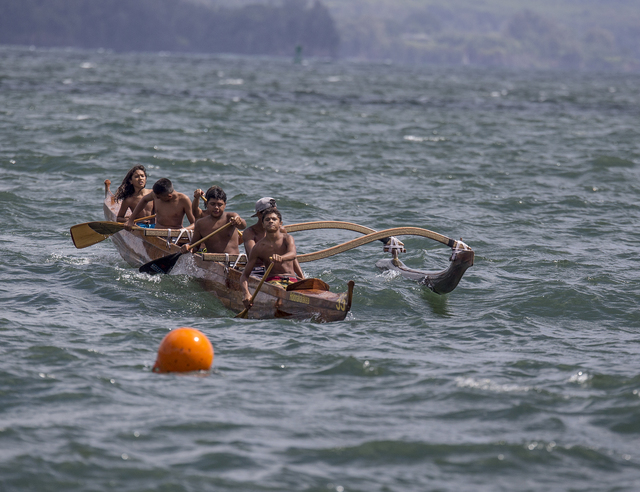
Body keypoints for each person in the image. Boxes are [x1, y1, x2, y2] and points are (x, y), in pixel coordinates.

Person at [240, 208, 300, 309]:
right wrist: (246, 293)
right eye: (267, 220)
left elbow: (293, 254)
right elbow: (244, 276)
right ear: (263, 224)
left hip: (292, 280)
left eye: (274, 219)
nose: (271, 221)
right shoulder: (259, 247)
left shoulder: (287, 238)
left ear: (280, 223)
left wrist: (281, 258)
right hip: (274, 282)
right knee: (280, 293)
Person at [243, 197, 304, 279]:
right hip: (257, 270)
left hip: (280, 272)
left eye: (275, 212)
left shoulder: (281, 231)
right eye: (268, 212)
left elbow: (292, 256)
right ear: (259, 214)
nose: (272, 214)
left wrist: (302, 277)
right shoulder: (250, 232)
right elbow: (254, 255)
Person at [180, 186, 246, 255]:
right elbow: (195, 246)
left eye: (220, 205)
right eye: (212, 204)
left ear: (225, 205)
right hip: (212, 262)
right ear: (207, 204)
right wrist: (188, 247)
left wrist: (239, 221)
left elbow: (243, 225)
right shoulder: (200, 223)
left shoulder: (231, 217)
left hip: (233, 261)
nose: (216, 207)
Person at [125, 178, 195, 230]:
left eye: (159, 197)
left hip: (175, 233)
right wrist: (131, 220)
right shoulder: (155, 195)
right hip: (157, 232)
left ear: (169, 196)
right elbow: (144, 200)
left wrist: (185, 229)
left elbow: (195, 223)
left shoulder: (184, 200)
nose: (157, 199)